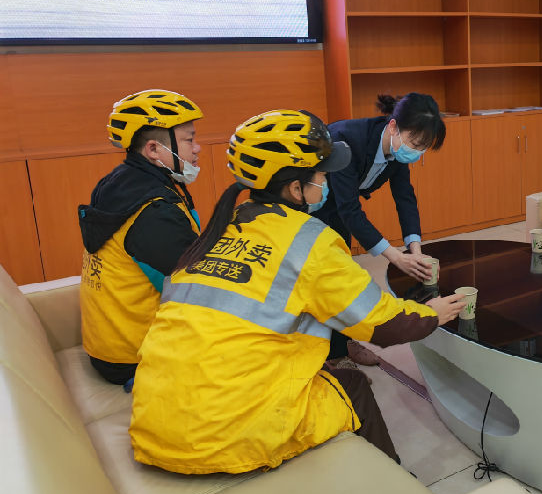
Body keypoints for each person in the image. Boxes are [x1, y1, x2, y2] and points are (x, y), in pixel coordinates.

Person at [129, 109, 466, 473]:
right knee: (352, 385)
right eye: (322, 175)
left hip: (156, 422)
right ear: (295, 188)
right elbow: (382, 324)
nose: (326, 182)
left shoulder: (219, 228)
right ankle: (394, 481)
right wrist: (432, 314)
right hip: (221, 435)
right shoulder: (310, 242)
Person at [78, 90, 204, 385]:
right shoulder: (154, 211)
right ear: (153, 149)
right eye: (189, 140)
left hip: (108, 346)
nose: (198, 148)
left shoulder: (121, 181)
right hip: (133, 357)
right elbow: (198, 285)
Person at [312, 93, 445, 365]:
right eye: (415, 144)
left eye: (423, 148)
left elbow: (405, 197)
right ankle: (329, 354)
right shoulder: (346, 141)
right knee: (323, 277)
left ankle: (342, 344)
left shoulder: (396, 151)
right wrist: (395, 256)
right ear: (393, 127)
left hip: (339, 207)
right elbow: (350, 210)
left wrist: (415, 249)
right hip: (313, 206)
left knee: (339, 275)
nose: (416, 153)